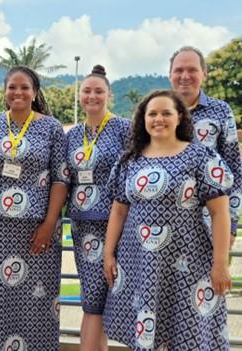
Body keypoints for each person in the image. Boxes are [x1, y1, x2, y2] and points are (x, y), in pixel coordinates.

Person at [103, 90, 232, 350]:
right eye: (152, 113)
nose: (158, 119)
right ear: (143, 119)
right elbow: (118, 210)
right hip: (139, 260)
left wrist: (220, 264)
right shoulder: (130, 161)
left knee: (189, 331)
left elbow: (220, 212)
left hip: (188, 261)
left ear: (180, 117)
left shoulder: (201, 157)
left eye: (166, 113)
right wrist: (108, 253)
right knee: (146, 330)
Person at [0, 66, 68, 351]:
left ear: (34, 92)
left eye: (24, 87)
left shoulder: (51, 127)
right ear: (4, 92)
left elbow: (60, 178)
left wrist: (49, 222)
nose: (18, 92)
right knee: (1, 296)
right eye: (12, 87)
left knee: (39, 299)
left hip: (39, 226)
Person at [65, 65, 130, 351]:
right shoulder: (72, 134)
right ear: (80, 95)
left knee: (114, 298)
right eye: (87, 91)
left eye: (98, 91)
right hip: (83, 226)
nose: (92, 96)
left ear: (109, 95)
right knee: (93, 300)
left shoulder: (125, 129)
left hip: (119, 224)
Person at [169, 46, 242, 244]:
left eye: (192, 70)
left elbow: (234, 169)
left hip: (211, 223)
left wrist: (232, 225)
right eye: (179, 70)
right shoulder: (157, 112)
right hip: (163, 225)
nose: (185, 76)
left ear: (204, 74)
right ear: (170, 75)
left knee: (213, 275)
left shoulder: (221, 111)